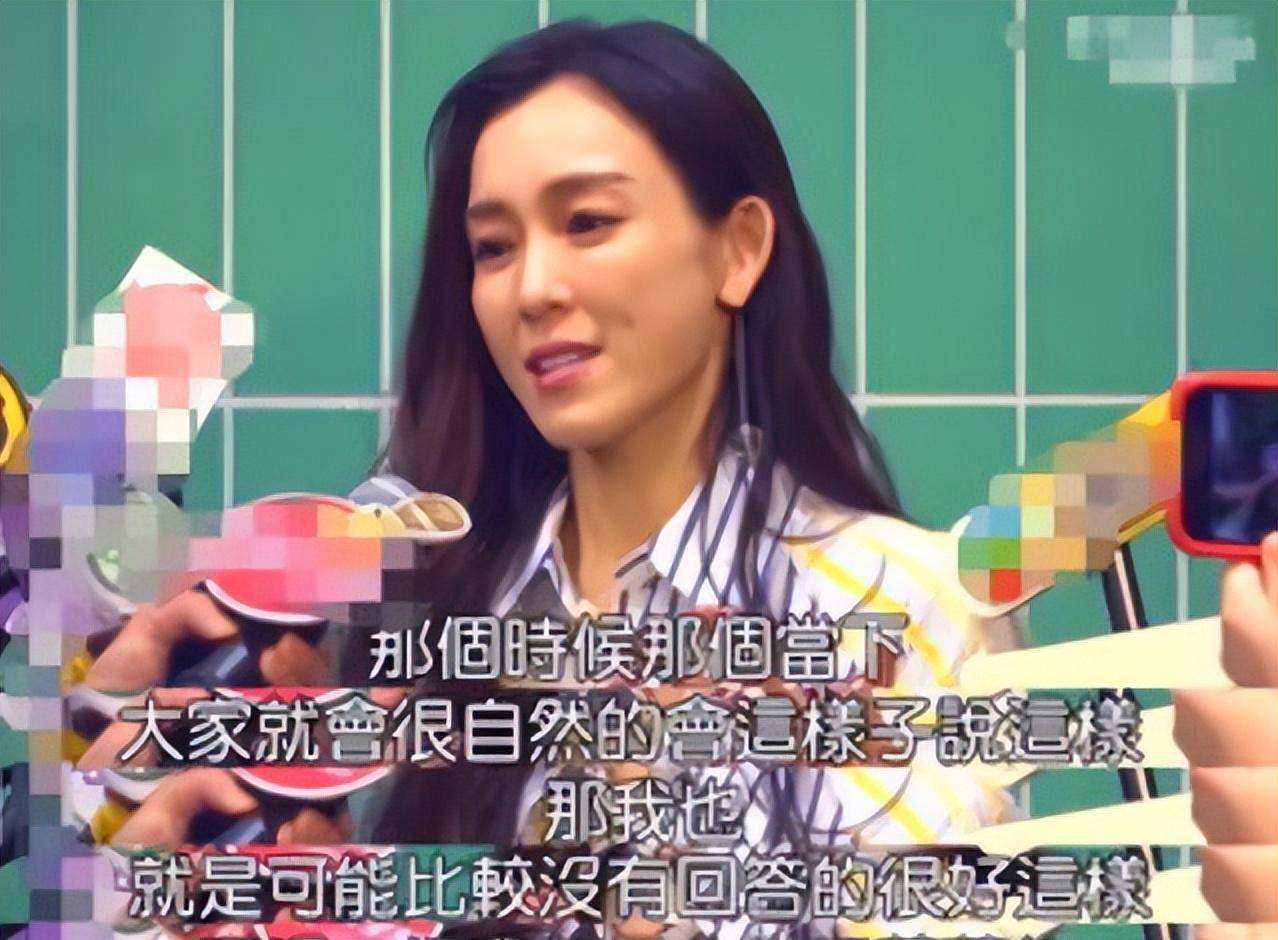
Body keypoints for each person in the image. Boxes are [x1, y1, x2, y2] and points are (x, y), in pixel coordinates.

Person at [76, 18, 1030, 939]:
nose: (533, 289)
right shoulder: (406, 627)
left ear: (738, 249)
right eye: (493, 247)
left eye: (588, 222)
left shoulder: (896, 605)